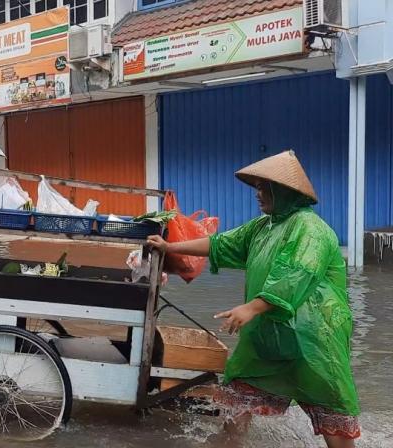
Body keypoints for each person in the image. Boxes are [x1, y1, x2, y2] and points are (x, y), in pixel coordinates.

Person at [148, 151, 360, 447]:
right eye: (257, 187)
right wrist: (170, 247)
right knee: (236, 398)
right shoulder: (264, 227)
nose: (258, 194)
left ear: (284, 191)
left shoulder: (311, 229)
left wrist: (253, 307)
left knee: (332, 420)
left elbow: (296, 273)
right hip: (266, 335)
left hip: (315, 341)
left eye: (264, 187)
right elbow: (221, 243)